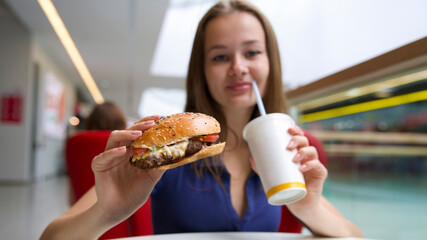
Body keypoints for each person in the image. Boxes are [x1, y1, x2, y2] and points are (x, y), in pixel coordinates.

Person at [40, 1, 363, 239]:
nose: (238, 67)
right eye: (220, 57)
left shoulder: (291, 148)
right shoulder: (167, 139)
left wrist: (309, 210)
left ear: (270, 63)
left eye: (252, 53)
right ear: (202, 71)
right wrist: (107, 213)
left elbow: (354, 236)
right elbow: (52, 238)